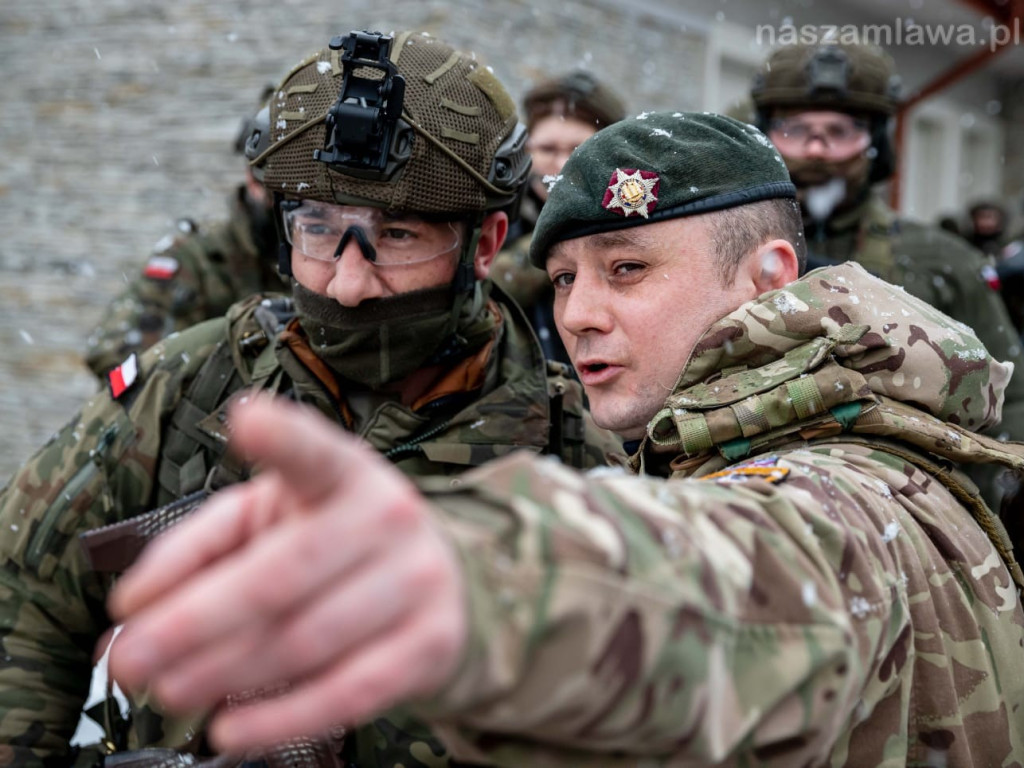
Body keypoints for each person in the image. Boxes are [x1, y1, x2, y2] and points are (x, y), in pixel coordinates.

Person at [103, 112, 1024, 765]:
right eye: (564, 277)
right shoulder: (854, 437)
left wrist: (479, 580)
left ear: (765, 275)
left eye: (628, 270)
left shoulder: (832, 486)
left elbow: (747, 580)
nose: (579, 314)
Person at [0, 29, 622, 767]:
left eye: (395, 236)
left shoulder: (572, 459)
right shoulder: (187, 388)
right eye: (318, 230)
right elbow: (23, 604)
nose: (347, 284)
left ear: (485, 245)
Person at [750, 41, 1024, 502]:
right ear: (765, 134)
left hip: (905, 517)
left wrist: (974, 496)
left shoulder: (943, 261)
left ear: (875, 142)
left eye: (840, 131)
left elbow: (1012, 399)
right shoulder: (726, 256)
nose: (818, 150)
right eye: (796, 129)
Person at [83, 87, 290, 379]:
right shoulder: (198, 258)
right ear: (249, 176)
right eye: (276, 188)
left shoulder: (337, 251)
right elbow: (117, 357)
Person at [490, 71, 625, 367]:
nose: (563, 164)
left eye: (579, 150)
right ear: (526, 151)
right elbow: (490, 292)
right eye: (548, 149)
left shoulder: (635, 214)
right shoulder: (496, 212)